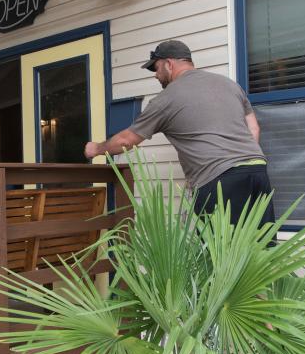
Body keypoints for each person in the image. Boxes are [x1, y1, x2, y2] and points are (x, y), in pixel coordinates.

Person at [84, 40, 276, 227]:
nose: (155, 75)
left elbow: (126, 140)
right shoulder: (229, 85)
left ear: (169, 64)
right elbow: (254, 128)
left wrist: (97, 148)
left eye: (156, 68)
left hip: (219, 181)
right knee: (260, 248)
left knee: (222, 255)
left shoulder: (166, 99)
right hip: (257, 171)